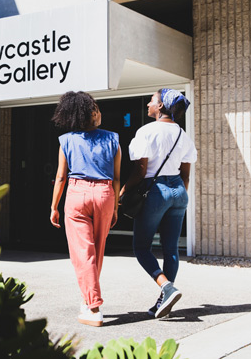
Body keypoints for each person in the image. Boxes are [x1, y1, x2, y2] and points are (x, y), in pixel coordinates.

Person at [120, 88, 197, 319]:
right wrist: (178, 197)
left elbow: (141, 170)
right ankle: (165, 302)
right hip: (179, 191)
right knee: (171, 249)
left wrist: (123, 192)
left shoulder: (146, 131)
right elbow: (186, 174)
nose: (148, 105)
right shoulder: (184, 135)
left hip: (156, 191)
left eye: (152, 101)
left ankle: (167, 288)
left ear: (161, 106)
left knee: (141, 247)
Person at [50, 91, 121, 327]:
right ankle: (88, 299)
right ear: (87, 115)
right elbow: (117, 177)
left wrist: (54, 206)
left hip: (77, 194)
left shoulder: (67, 140)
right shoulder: (113, 139)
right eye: (95, 110)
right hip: (105, 194)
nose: (99, 113)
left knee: (83, 254)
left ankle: (94, 307)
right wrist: (114, 208)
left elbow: (60, 177)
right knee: (96, 252)